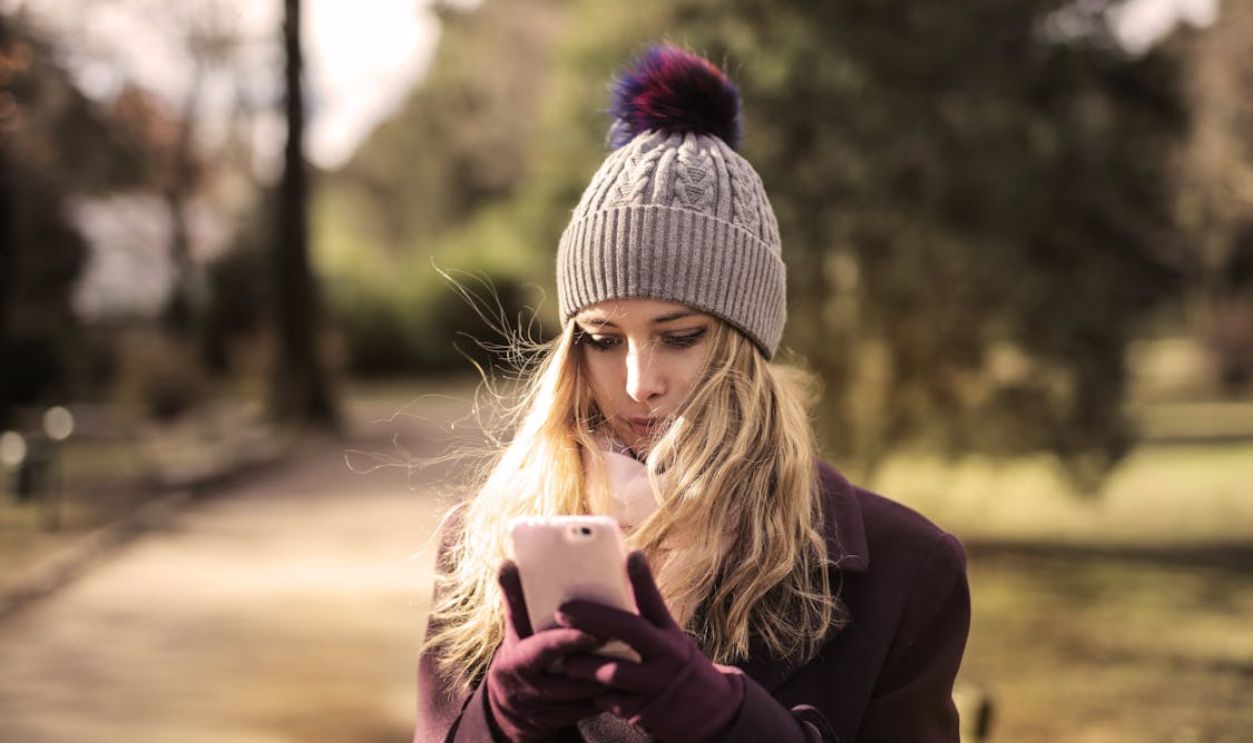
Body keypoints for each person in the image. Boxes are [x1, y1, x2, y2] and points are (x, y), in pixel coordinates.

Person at [413, 44, 970, 743]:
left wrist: (728, 722)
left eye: (678, 336)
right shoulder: (479, 543)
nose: (639, 381)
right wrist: (499, 721)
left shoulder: (906, 568)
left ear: (745, 344)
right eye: (602, 337)